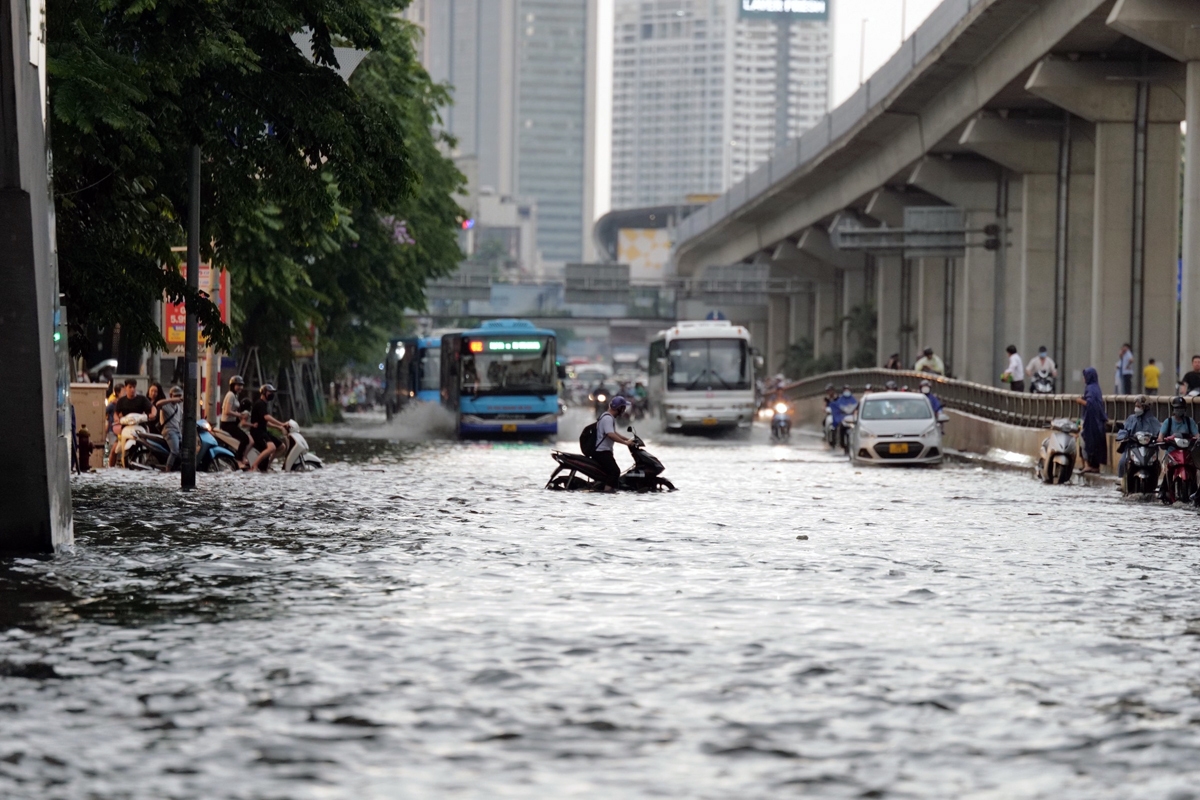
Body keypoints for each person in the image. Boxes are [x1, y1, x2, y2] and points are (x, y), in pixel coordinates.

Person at [594, 396, 634, 492]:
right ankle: (607, 493)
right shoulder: (608, 418)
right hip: (602, 452)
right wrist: (625, 443)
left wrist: (628, 439)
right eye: (623, 408)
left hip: (603, 451)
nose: (624, 411)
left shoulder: (606, 416)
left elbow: (614, 433)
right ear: (619, 408)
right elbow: (611, 435)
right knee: (615, 472)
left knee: (610, 473)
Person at [109, 379, 153, 466]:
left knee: (148, 445)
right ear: (126, 388)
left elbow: (152, 409)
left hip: (140, 426)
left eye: (134, 387)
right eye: (130, 387)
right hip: (125, 427)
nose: (132, 389)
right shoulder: (121, 401)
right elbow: (116, 413)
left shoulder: (142, 399)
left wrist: (151, 415)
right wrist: (117, 419)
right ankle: (110, 468)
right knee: (114, 450)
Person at [1116, 395, 1159, 478]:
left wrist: (1159, 438)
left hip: (1148, 449)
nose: (1136, 408)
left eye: (1139, 406)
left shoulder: (1153, 421)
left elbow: (1159, 432)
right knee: (1122, 462)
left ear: (1145, 407)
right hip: (1133, 448)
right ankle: (1122, 481)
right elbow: (1124, 429)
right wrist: (1123, 436)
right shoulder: (1131, 419)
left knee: (1155, 463)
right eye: (1136, 406)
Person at [250, 384, 289, 472]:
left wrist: (278, 427)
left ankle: (268, 465)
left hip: (263, 431)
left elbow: (265, 422)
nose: (271, 394)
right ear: (264, 392)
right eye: (270, 392)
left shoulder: (264, 404)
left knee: (281, 447)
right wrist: (282, 424)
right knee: (271, 448)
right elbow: (266, 417)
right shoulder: (260, 404)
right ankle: (254, 466)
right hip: (257, 432)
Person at [1075, 367, 1108, 474]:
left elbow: (1091, 404)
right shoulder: (1095, 388)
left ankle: (1089, 465)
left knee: (1087, 442)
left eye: (1085, 377)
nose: (1084, 379)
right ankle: (1093, 466)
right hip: (1095, 421)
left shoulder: (1091, 389)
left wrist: (1080, 401)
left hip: (1091, 422)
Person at [220, 375, 251, 468]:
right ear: (233, 385)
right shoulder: (230, 395)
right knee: (245, 439)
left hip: (233, 423)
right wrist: (240, 415)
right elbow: (227, 411)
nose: (240, 387)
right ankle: (239, 459)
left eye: (241, 385)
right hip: (227, 424)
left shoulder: (235, 395)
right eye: (238, 385)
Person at [158, 386, 184, 471]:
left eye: (179, 396)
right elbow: (158, 404)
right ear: (171, 395)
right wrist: (171, 400)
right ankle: (167, 469)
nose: (178, 398)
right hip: (169, 431)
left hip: (177, 431)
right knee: (175, 451)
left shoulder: (178, 407)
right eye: (176, 396)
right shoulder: (166, 405)